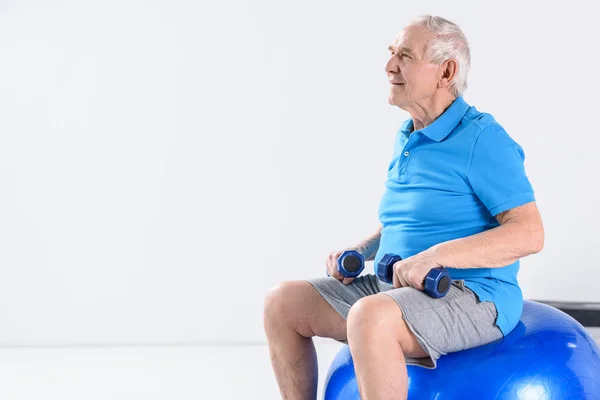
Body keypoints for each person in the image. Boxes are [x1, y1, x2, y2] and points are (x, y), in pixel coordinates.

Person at [263, 14, 545, 400]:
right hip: (395, 288)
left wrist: (434, 257)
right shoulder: (411, 133)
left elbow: (529, 232)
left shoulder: (483, 140)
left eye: (405, 56)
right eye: (392, 53)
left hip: (471, 295)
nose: (389, 66)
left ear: (446, 72)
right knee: (282, 303)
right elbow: (413, 220)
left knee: (370, 317)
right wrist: (361, 250)